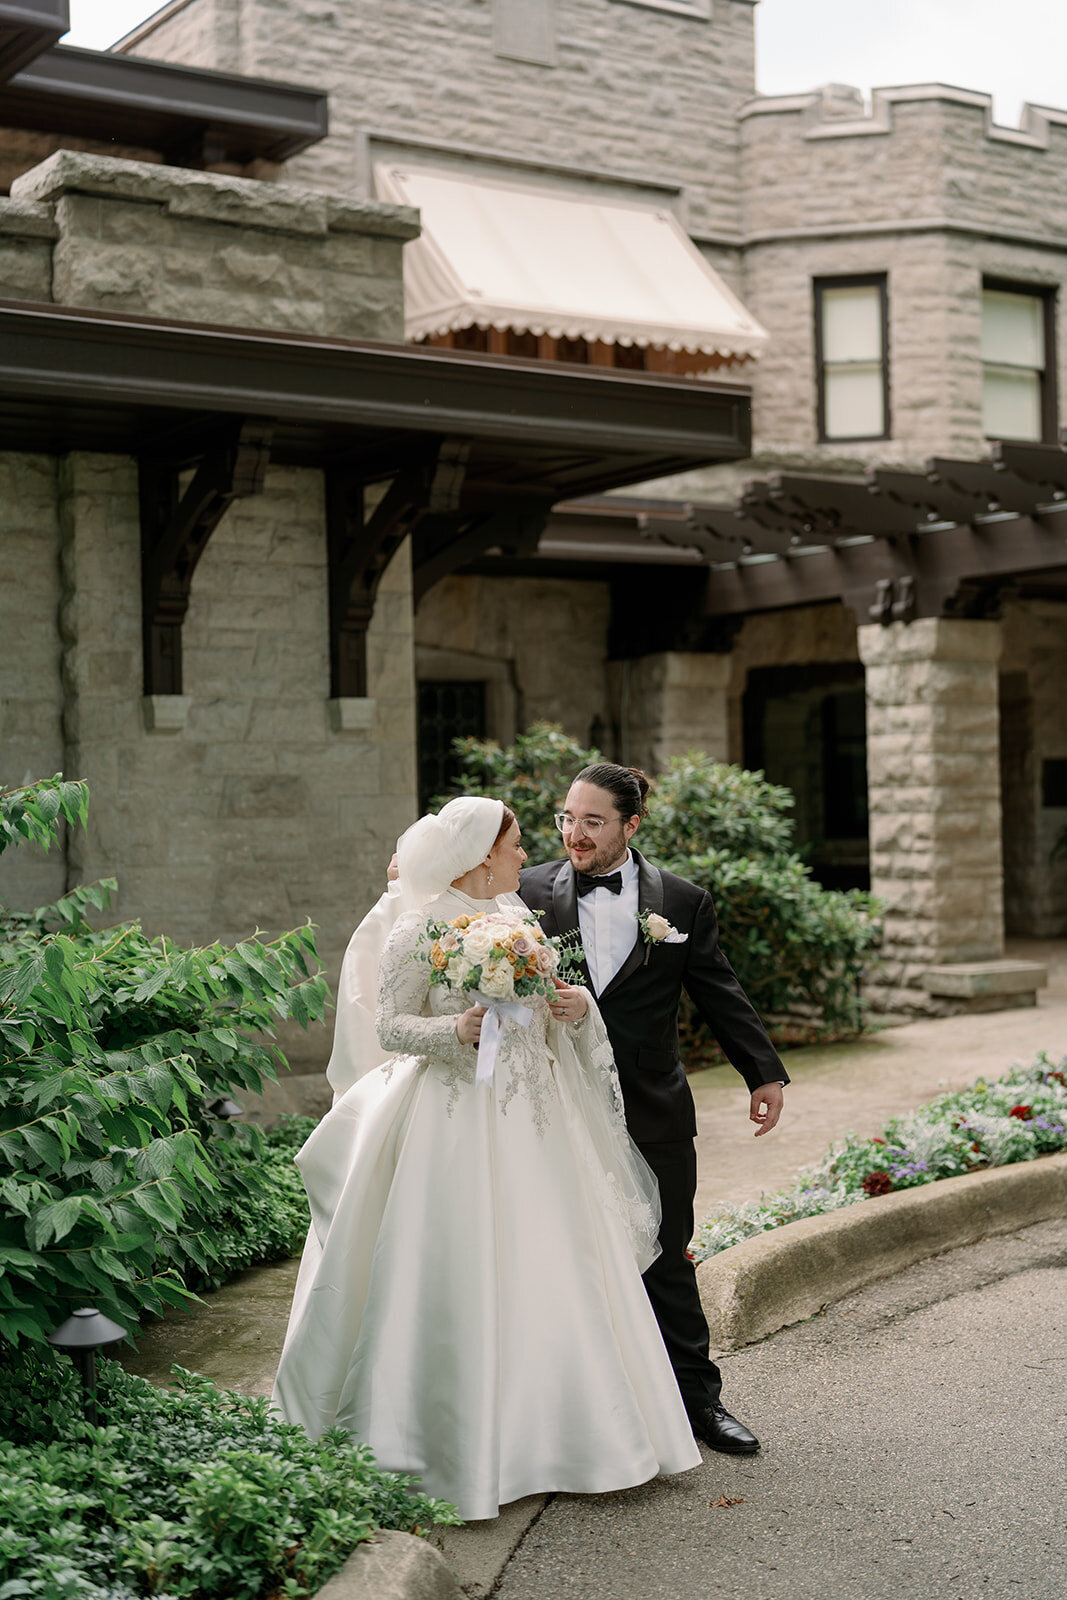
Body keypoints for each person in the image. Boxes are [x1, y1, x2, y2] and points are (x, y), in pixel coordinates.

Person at [271, 795, 701, 1521]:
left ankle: (573, 1433)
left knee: (557, 1264)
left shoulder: (518, 919)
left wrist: (573, 1007)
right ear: (479, 855)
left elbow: (551, 1005)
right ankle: (464, 1447)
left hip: (538, 1118)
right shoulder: (416, 927)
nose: (524, 853)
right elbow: (393, 1026)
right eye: (514, 843)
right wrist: (456, 1029)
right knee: (459, 1266)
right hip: (454, 1119)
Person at [518, 763, 789, 1457]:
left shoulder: (682, 902)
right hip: (556, 1103)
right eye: (566, 819)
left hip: (652, 1103)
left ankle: (700, 1403)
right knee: (559, 1254)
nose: (573, 834)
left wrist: (762, 1073)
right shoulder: (523, 894)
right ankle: (578, 1411)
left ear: (630, 826)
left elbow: (717, 989)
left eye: (592, 821)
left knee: (667, 1253)